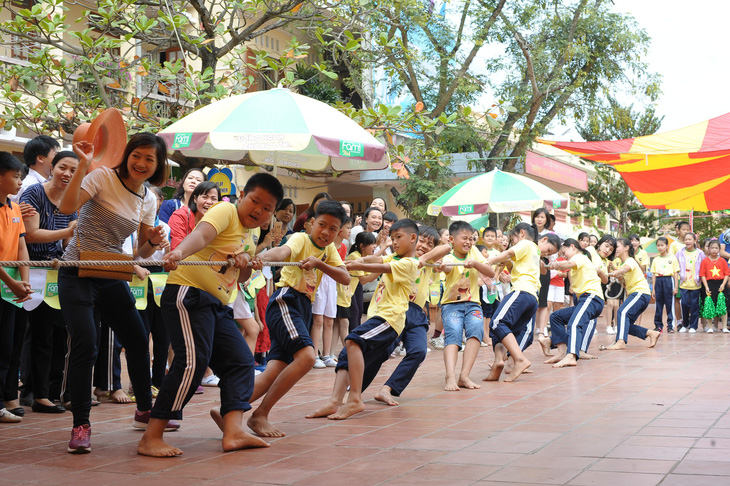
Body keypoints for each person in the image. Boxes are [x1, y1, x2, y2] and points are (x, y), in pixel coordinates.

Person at [137, 173, 283, 457]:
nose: (259, 211)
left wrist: (245, 264)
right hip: (188, 292)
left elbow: (240, 278)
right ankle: (151, 436)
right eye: (255, 201)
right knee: (192, 363)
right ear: (242, 196)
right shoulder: (225, 210)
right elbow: (202, 235)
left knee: (241, 362)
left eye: (267, 208)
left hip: (217, 305)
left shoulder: (251, 235)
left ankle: (233, 431)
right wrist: (178, 252)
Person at [58, 134, 172, 453]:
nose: (142, 163)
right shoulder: (101, 176)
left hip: (110, 271)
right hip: (77, 269)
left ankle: (144, 411)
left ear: (157, 165)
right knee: (86, 343)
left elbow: (138, 253)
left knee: (137, 339)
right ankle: (81, 424)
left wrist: (155, 241)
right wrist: (83, 163)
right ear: (126, 155)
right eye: (137, 155)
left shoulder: (148, 198)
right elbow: (67, 207)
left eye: (150, 159)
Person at [237, 200, 350, 437]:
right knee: (308, 357)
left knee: (273, 371)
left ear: (338, 232)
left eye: (333, 229)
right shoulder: (300, 239)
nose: (326, 232)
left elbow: (345, 277)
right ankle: (259, 415)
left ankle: (228, 408)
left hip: (302, 307)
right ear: (311, 224)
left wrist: (320, 263)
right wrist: (263, 258)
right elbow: (282, 252)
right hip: (286, 300)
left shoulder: (328, 250)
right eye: (322, 225)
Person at [306, 219, 421, 420]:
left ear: (413, 238)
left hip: (390, 319)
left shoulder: (409, 263)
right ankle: (335, 401)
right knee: (345, 355)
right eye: (392, 238)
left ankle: (355, 399)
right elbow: (377, 261)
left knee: (353, 341)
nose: (394, 242)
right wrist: (352, 263)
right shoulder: (395, 257)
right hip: (381, 316)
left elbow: (382, 268)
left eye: (398, 238)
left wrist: (353, 265)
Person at [20, 151, 79, 414]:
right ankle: (33, 393)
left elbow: (67, 243)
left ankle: (46, 391)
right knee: (33, 334)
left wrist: (71, 240)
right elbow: (31, 235)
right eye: (63, 168)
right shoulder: (33, 193)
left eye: (74, 171)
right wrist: (68, 231)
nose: (67, 174)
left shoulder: (73, 200)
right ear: (51, 167)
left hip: (57, 272)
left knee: (54, 335)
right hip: (29, 271)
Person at [362, 225, 441, 406]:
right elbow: (366, 274)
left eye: (430, 244)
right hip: (394, 311)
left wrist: (426, 257)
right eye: (422, 240)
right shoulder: (394, 259)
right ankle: (353, 391)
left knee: (419, 351)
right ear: (413, 239)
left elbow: (445, 248)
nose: (425, 246)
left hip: (417, 312)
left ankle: (387, 388)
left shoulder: (427, 261)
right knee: (381, 352)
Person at [484, 223, 560, 382]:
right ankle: (498, 362)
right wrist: (503, 266)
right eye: (549, 249)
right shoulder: (534, 252)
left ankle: (519, 359)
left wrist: (491, 260)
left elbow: (509, 253)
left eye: (513, 239)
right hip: (531, 298)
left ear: (522, 234)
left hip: (522, 291)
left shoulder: (527, 244)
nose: (547, 253)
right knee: (501, 331)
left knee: (497, 322)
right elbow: (511, 265)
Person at [437, 221, 495, 391]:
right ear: (451, 239)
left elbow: (490, 272)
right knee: (453, 335)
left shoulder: (474, 252)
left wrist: (476, 264)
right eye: (464, 238)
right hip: (452, 305)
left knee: (476, 332)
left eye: (471, 239)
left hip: (473, 304)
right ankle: (450, 376)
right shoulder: (449, 256)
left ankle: (464, 376)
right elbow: (446, 268)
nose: (468, 242)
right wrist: (443, 267)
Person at [0, 152, 33, 424]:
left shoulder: (13, 207)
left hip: (12, 290)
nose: (20, 182)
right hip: (5, 286)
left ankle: (5, 398)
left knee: (9, 346)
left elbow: (22, 245)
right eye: (15, 176)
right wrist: (12, 282)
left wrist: (25, 280)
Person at [542, 239, 605, 368]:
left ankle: (571, 356)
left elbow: (568, 264)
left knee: (574, 323)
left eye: (564, 252)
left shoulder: (580, 257)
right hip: (585, 299)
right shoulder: (576, 264)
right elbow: (568, 269)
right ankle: (561, 352)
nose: (563, 256)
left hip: (592, 298)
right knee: (556, 317)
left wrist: (556, 265)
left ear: (572, 246)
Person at [601, 238, 660, 350]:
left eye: (617, 247)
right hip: (638, 294)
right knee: (626, 324)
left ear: (626, 248)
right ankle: (651, 333)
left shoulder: (630, 261)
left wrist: (615, 272)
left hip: (640, 293)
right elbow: (623, 280)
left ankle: (620, 342)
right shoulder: (623, 263)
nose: (614, 250)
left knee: (622, 312)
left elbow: (624, 269)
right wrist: (616, 274)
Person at [168, 181, 221, 250]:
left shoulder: (220, 222)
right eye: (205, 197)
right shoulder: (180, 216)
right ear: (195, 199)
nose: (209, 202)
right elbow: (177, 249)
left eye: (213, 199)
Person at [12, 135, 60, 202]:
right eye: (56, 155)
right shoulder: (28, 187)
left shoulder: (51, 182)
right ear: (40, 158)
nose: (59, 160)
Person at [347, 231, 378, 333]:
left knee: (359, 312)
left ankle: (357, 336)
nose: (374, 246)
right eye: (372, 244)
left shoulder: (363, 257)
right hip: (347, 288)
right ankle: (354, 337)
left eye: (375, 243)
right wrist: (382, 270)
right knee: (355, 313)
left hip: (356, 285)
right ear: (362, 246)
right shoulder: (355, 257)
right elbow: (364, 280)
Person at [676, 232, 704, 333]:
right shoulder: (680, 253)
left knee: (694, 305)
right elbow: (675, 265)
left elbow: (703, 266)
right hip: (684, 284)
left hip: (695, 284)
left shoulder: (700, 253)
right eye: (686, 239)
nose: (687, 241)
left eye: (689, 239)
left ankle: (693, 326)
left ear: (694, 241)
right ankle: (685, 324)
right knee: (684, 304)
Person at [699, 239, 729, 333]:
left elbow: (726, 274)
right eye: (712, 248)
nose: (714, 250)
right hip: (709, 284)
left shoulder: (722, 261)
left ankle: (724, 327)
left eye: (716, 248)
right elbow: (702, 275)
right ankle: (710, 327)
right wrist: (706, 286)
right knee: (709, 305)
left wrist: (723, 284)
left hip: (720, 284)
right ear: (708, 249)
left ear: (719, 249)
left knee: (722, 305)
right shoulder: (705, 261)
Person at [651, 237, 679, 333]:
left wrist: (676, 287)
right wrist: (653, 289)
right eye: (658, 245)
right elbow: (654, 275)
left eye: (662, 245)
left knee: (669, 304)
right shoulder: (655, 259)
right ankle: (658, 325)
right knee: (658, 304)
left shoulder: (672, 258)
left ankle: (670, 325)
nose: (660, 247)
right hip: (659, 281)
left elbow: (675, 273)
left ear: (667, 246)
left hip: (668, 280)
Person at [532, 209, 551, 345]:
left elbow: (553, 253)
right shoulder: (529, 232)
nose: (539, 219)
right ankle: (531, 328)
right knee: (532, 298)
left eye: (542, 217)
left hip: (544, 265)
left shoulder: (549, 235)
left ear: (546, 219)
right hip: (530, 266)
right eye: (537, 217)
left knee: (543, 300)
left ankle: (542, 329)